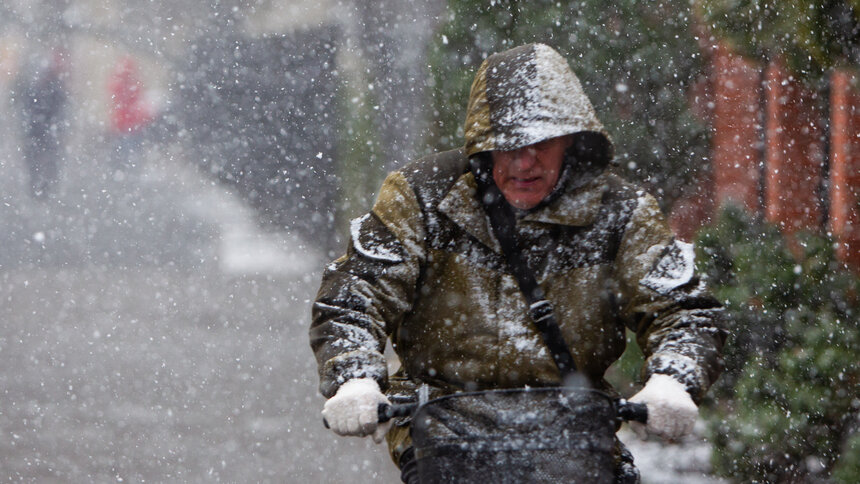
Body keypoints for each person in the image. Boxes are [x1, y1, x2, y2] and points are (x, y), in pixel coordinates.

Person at [310, 43, 726, 483]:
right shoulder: (423, 198)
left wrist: (673, 378)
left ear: (572, 138)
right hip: (445, 433)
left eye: (541, 143)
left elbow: (682, 311)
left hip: (575, 436)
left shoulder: (619, 212)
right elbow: (356, 292)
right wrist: (354, 376)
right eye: (506, 146)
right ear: (481, 147)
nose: (523, 162)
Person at [14, 50, 68, 199]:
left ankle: (45, 187)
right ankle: (38, 186)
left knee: (47, 159)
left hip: (45, 130)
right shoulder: (35, 89)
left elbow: (60, 110)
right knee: (36, 160)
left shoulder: (52, 89)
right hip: (38, 130)